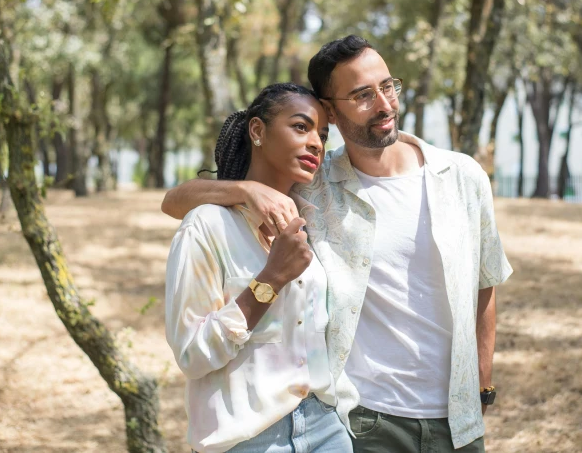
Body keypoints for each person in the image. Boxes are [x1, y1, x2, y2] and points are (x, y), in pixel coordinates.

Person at [162, 36, 513, 453]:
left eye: (388, 86)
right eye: (362, 95)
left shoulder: (461, 177)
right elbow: (175, 201)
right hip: (364, 420)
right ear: (330, 108)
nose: (384, 105)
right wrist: (246, 190)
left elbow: (484, 279)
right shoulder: (315, 180)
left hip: (457, 417)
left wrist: (483, 384)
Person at [164, 83, 352, 453]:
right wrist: (271, 279)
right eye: (301, 127)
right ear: (257, 131)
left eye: (323, 134)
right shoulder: (208, 226)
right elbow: (191, 356)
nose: (316, 142)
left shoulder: (315, 215)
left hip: (326, 428)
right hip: (248, 438)